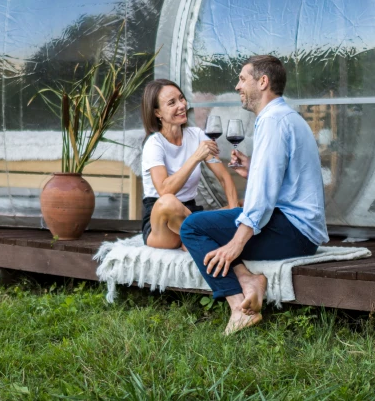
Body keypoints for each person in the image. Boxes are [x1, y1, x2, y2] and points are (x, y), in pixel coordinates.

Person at [179, 55, 328, 335]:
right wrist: (253, 167)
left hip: (293, 231)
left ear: (263, 82)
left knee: (192, 228)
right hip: (297, 228)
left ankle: (238, 306)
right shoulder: (284, 117)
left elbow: (263, 195)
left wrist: (237, 242)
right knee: (211, 222)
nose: (237, 86)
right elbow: (279, 178)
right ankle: (248, 280)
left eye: (242, 78)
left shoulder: (273, 121)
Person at [139, 79, 241, 250]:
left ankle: (193, 237)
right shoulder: (154, 144)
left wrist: (233, 216)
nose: (181, 105)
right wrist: (195, 157)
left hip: (190, 213)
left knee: (243, 204)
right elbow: (164, 191)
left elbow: (224, 178)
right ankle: (197, 237)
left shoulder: (197, 135)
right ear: (157, 112)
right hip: (160, 222)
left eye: (181, 98)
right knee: (169, 202)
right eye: (172, 103)